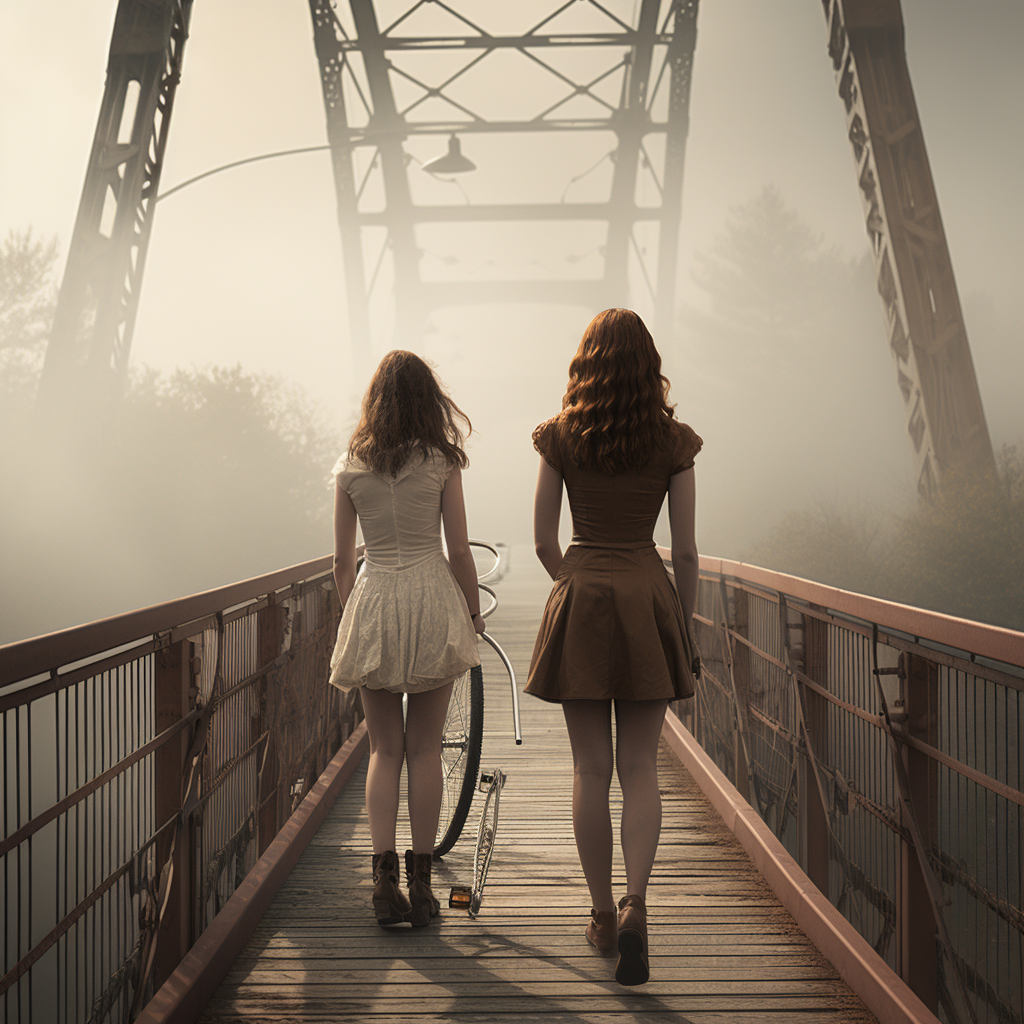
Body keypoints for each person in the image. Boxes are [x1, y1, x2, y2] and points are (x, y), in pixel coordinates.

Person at [525, 308, 701, 986]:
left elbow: (543, 539)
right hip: (648, 598)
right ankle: (636, 904)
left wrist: (573, 588)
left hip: (586, 593)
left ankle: (600, 914)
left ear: (585, 364)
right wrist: (681, 628)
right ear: (647, 366)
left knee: (589, 770)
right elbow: (684, 549)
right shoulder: (673, 442)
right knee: (639, 769)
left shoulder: (561, 437)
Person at [328, 350, 486, 928]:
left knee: (382, 749)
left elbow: (343, 562)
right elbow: (460, 549)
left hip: (374, 597)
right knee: (424, 749)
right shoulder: (442, 462)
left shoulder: (349, 468)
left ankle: (382, 879)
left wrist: (358, 616)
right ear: (429, 400)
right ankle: (422, 888)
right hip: (428, 595)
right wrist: (472, 612)